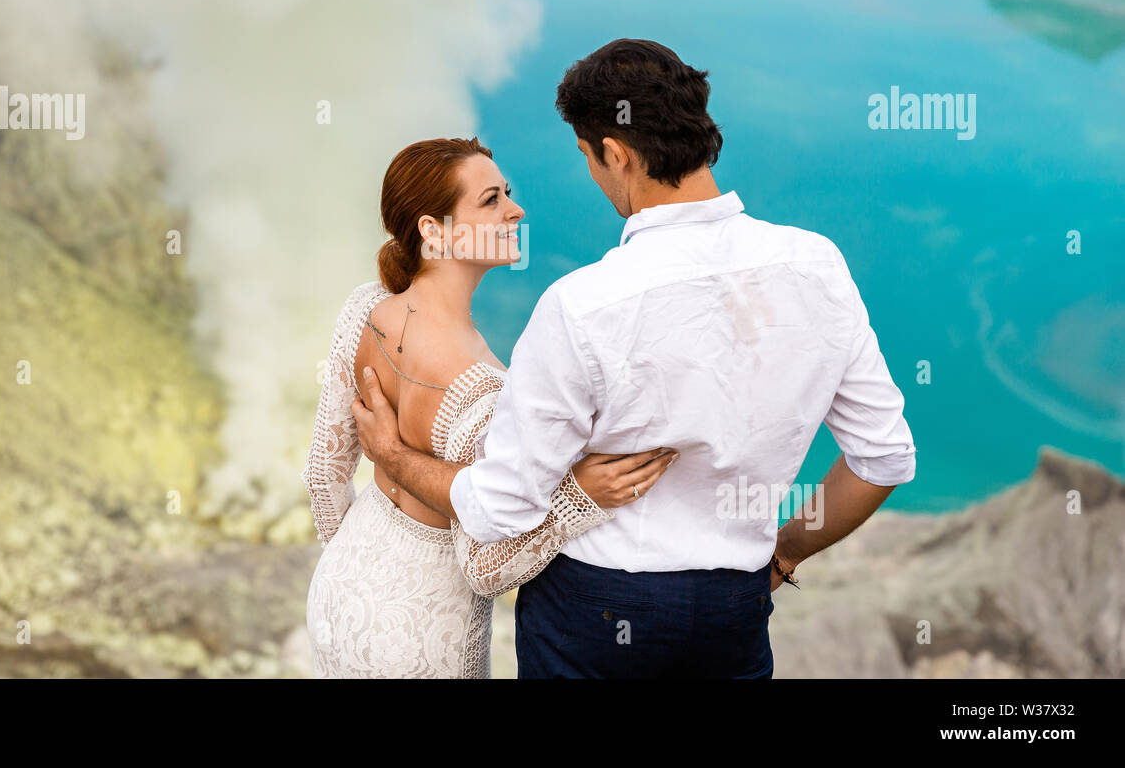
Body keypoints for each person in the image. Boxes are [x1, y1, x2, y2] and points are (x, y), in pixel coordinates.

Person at [352, 38, 918, 678]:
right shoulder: (819, 266)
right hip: (733, 611)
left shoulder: (581, 304)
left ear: (615, 154)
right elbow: (884, 458)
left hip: (592, 613)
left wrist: (393, 457)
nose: (594, 176)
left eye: (589, 158)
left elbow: (501, 507)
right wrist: (781, 556)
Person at [301, 135, 676, 678]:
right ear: (433, 231)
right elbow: (485, 570)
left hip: (337, 596)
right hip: (422, 635)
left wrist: (359, 566)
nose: (515, 210)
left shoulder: (366, 309)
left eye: (508, 193)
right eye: (491, 200)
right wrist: (579, 500)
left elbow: (322, 473)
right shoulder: (482, 390)